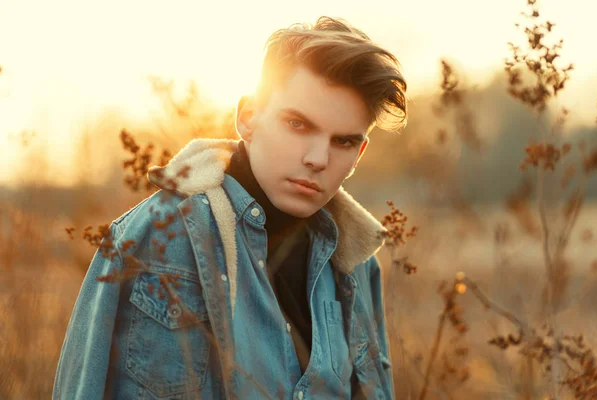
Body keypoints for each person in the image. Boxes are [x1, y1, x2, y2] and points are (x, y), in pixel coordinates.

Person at [53, 15, 407, 400]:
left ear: (360, 152)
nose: (318, 158)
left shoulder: (355, 263)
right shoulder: (156, 236)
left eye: (343, 142)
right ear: (248, 117)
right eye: (298, 124)